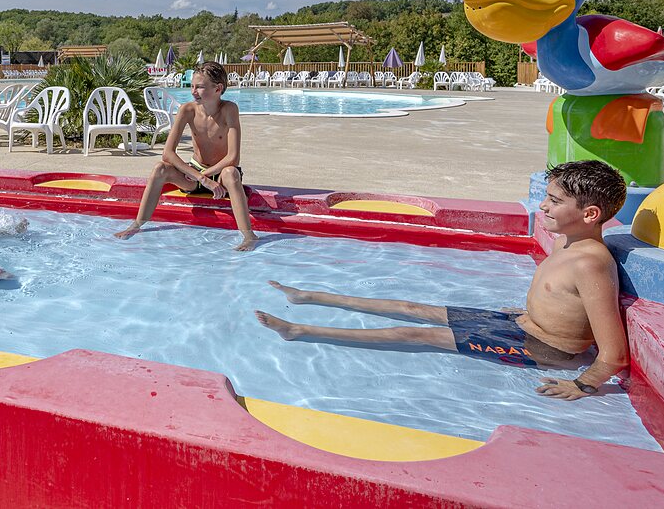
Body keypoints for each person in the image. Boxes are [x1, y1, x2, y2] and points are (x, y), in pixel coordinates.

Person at [255, 160, 631, 400]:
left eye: (553, 201)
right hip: (519, 324)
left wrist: (583, 385)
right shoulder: (568, 241)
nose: (543, 207)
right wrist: (534, 311)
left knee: (414, 332)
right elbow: (563, 301)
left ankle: (299, 330)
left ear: (590, 213)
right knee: (411, 308)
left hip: (544, 349)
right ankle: (311, 296)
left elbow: (613, 352)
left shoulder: (591, 263)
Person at [114, 60, 258, 251]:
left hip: (221, 174)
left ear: (218, 88)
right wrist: (199, 176)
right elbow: (168, 153)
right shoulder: (187, 110)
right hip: (194, 175)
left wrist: (207, 175)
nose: (193, 91)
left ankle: (249, 235)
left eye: (199, 87)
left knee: (232, 173)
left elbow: (233, 157)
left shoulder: (229, 110)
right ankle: (137, 224)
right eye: (192, 86)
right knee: (159, 168)